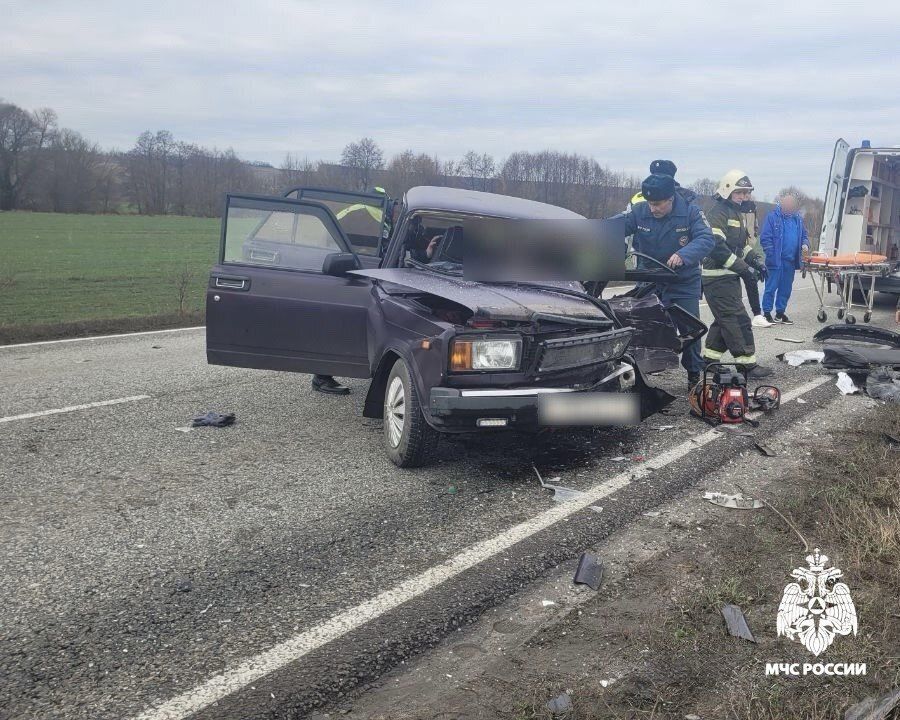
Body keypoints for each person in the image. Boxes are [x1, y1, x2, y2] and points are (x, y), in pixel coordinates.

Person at [621, 173, 715, 389]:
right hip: (650, 279)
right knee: (640, 325)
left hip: (682, 280)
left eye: (657, 204)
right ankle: (636, 372)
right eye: (649, 203)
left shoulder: (691, 212)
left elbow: (706, 238)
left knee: (690, 328)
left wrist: (684, 254)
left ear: (670, 199)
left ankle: (694, 374)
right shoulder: (639, 211)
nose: (652, 208)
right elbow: (612, 228)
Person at [701, 170, 773, 378]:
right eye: (739, 192)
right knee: (738, 320)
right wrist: (742, 268)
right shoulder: (718, 213)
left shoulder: (735, 213)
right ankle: (747, 365)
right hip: (717, 278)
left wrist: (756, 261)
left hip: (727, 277)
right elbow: (716, 246)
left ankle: (710, 362)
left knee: (723, 321)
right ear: (727, 190)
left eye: (746, 193)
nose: (744, 197)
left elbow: (740, 246)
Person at [759, 191, 809, 325]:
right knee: (771, 288)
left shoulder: (798, 220)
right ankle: (767, 313)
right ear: (781, 203)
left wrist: (805, 244)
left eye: (792, 204)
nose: (789, 206)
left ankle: (780, 313)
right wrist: (770, 253)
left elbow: (804, 235)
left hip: (790, 262)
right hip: (775, 261)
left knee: (786, 289)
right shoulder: (772, 218)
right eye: (786, 203)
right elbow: (765, 238)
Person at [742, 200, 773, 328]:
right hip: (734, 251)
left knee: (752, 278)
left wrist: (759, 262)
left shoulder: (751, 207)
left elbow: (754, 233)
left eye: (748, 192)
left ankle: (757, 315)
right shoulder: (730, 209)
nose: (746, 195)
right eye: (742, 192)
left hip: (748, 250)